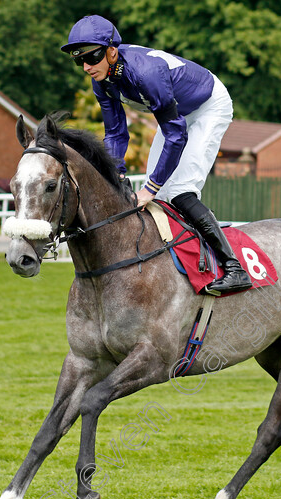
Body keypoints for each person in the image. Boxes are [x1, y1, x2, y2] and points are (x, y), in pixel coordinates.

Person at [62, 15, 251, 295]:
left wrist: (150, 187)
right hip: (176, 114)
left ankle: (234, 268)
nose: (87, 67)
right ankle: (173, 263)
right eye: (80, 61)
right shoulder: (102, 81)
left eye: (92, 57)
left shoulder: (145, 73)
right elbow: (115, 133)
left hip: (208, 106)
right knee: (160, 197)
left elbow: (176, 136)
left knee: (180, 191)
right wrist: (116, 172)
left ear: (112, 50)